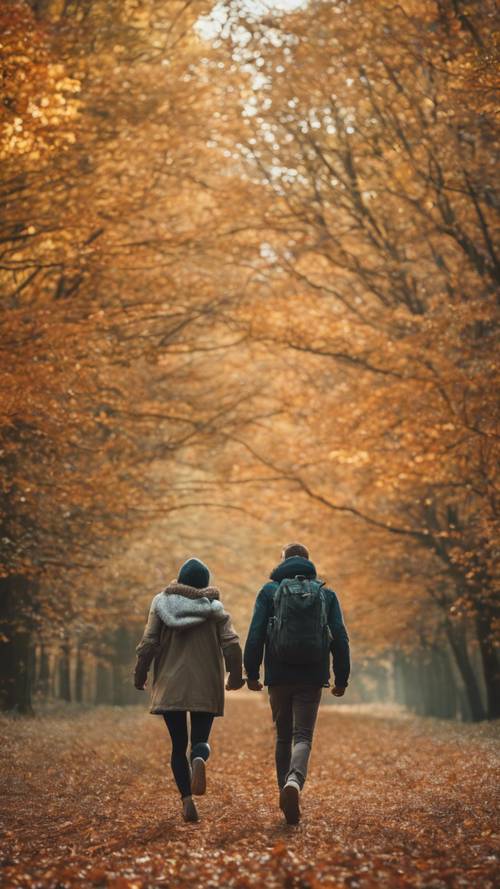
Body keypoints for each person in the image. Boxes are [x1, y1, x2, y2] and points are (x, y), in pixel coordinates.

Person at [244, 542, 350, 825]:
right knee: (303, 736)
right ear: (308, 562)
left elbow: (255, 633)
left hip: (279, 675)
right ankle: (294, 782)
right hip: (312, 675)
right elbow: (339, 636)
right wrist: (342, 678)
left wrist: (251, 673)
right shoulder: (325, 594)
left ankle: (283, 792)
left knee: (282, 736)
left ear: (282, 563)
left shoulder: (269, 591)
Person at [134, 557, 243, 823]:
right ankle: (199, 757)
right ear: (205, 583)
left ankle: (186, 801)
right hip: (205, 683)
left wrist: (140, 673)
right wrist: (236, 676)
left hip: (171, 684)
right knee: (199, 740)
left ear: (180, 580)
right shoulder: (215, 608)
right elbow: (231, 643)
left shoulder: (160, 603)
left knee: (177, 745)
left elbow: (148, 642)